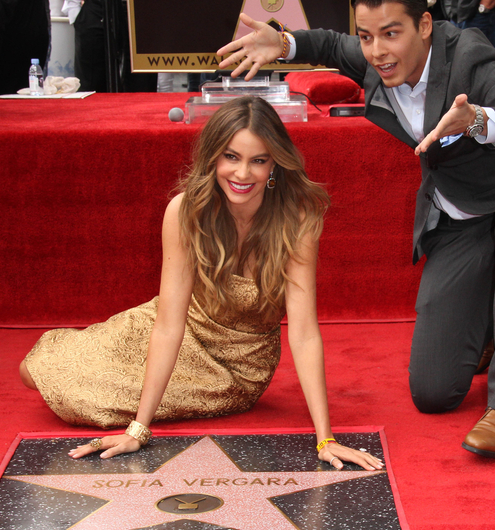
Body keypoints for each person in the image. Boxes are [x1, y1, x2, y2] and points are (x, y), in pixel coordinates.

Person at [217, 0, 495, 459]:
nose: (377, 50)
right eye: (367, 36)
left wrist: (478, 121)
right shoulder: (374, 59)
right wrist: (284, 45)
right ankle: (494, 324)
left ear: (424, 26)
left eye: (391, 34)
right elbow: (329, 45)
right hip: (463, 221)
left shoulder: (470, 56)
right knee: (433, 392)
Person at [19, 97, 383, 470]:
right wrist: (139, 429)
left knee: (76, 399)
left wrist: (326, 438)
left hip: (236, 365)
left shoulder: (297, 220)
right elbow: (168, 321)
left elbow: (304, 333)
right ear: (212, 157)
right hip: (180, 327)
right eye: (231, 157)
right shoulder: (185, 210)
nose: (242, 174)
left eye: (258, 160)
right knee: (35, 370)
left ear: (275, 164)